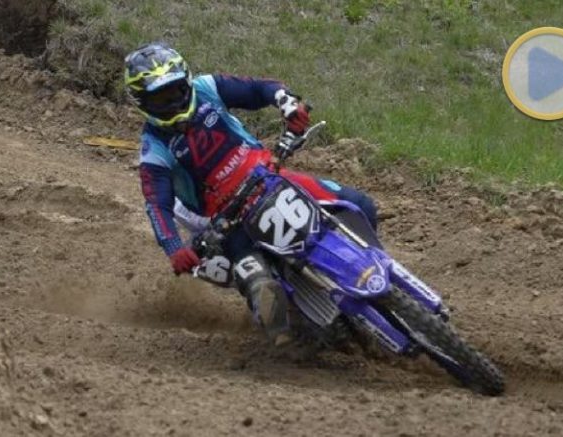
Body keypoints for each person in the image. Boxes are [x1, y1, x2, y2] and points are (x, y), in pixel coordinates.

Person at [125, 42, 378, 345]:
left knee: (359, 205)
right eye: (160, 98)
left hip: (267, 176)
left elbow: (258, 89)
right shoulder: (153, 148)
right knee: (259, 282)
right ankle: (288, 320)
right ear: (142, 102)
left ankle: (375, 273)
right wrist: (174, 248)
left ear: (186, 81)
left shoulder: (206, 88)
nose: (172, 104)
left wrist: (286, 102)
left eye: (175, 92)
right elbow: (157, 204)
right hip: (220, 215)